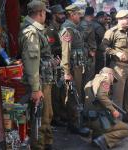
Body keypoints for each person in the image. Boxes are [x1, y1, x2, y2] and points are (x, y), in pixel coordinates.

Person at [19, 1, 56, 149]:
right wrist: (35, 89)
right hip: (39, 83)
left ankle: (47, 144)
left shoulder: (35, 30)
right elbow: (32, 61)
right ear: (41, 13)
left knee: (47, 116)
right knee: (40, 120)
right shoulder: (32, 32)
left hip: (43, 81)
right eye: (45, 13)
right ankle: (39, 146)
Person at [101, 10, 128, 124]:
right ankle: (117, 120)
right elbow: (103, 46)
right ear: (120, 19)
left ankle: (127, 115)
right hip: (118, 67)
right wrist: (116, 53)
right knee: (118, 96)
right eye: (126, 18)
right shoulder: (112, 32)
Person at [84, 67, 128, 150]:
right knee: (127, 129)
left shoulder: (90, 82)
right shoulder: (105, 80)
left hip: (88, 119)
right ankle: (104, 140)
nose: (112, 82)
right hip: (98, 121)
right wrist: (113, 110)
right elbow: (101, 96)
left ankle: (96, 137)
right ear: (110, 75)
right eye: (113, 78)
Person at [60, 4, 86, 135]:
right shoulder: (67, 29)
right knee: (73, 95)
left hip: (77, 67)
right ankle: (74, 124)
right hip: (72, 68)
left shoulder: (74, 28)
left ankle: (76, 121)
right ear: (71, 14)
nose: (80, 16)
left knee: (76, 94)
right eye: (77, 14)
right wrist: (66, 72)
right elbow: (66, 52)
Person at [45, 4, 67, 127]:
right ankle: (56, 117)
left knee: (62, 91)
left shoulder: (60, 28)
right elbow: (50, 49)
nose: (63, 16)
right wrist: (64, 47)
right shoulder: (50, 30)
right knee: (56, 93)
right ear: (54, 15)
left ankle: (61, 115)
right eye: (60, 14)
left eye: (63, 13)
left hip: (61, 64)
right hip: (54, 64)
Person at [77, 6, 97, 82]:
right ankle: (87, 93)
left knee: (89, 76)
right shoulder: (85, 24)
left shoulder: (86, 23)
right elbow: (81, 40)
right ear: (91, 15)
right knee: (88, 76)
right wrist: (89, 50)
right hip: (88, 54)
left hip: (89, 53)